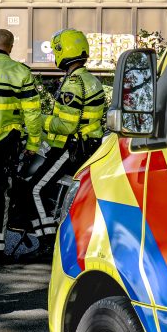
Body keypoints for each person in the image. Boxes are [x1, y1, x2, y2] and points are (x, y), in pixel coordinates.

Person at [11, 29, 105, 241]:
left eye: (56, 52)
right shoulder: (91, 80)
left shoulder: (74, 83)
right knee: (39, 188)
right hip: (85, 146)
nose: (54, 57)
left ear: (64, 52)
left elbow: (66, 126)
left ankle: (47, 243)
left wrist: (38, 119)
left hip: (71, 147)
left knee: (34, 189)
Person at [0, 29, 44, 266]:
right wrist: (33, 143)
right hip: (5, 142)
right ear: (11, 48)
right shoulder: (20, 72)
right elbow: (33, 113)